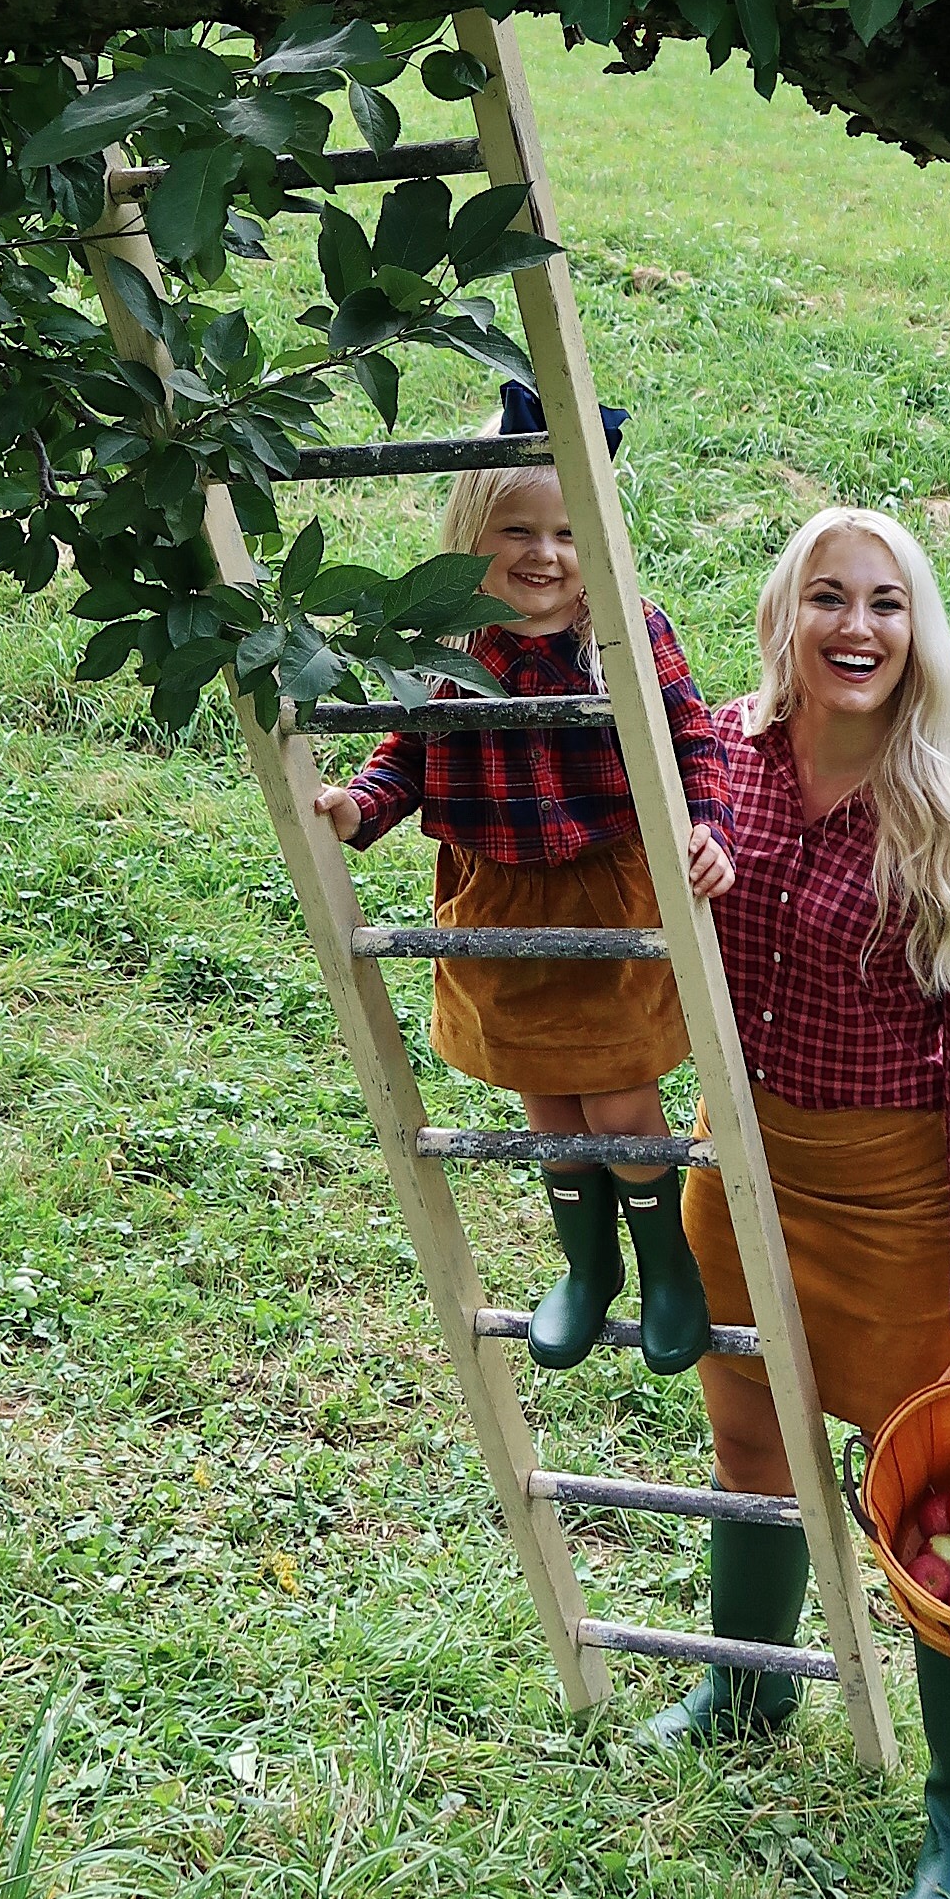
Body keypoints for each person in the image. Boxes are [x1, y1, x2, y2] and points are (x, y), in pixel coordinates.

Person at [648, 506, 950, 1899]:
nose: (856, 628)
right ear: (785, 617)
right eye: (828, 598)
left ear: (918, 629)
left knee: (934, 1502)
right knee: (749, 1445)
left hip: (895, 1205)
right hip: (736, 1168)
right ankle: (751, 1687)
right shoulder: (719, 770)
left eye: (885, 602)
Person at [314, 385, 735, 1375]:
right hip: (493, 907)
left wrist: (708, 826)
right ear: (471, 534)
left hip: (603, 905)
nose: (544, 555)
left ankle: (665, 1263)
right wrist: (357, 807)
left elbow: (691, 742)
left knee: (621, 1098)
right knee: (546, 1102)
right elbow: (405, 758)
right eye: (516, 529)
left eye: (566, 530)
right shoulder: (451, 645)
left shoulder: (624, 632)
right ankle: (587, 1269)